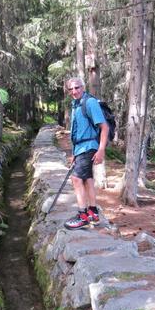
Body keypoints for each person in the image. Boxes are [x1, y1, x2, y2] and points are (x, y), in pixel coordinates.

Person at [64, 77, 109, 230]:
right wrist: (74, 154)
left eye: (77, 87)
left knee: (76, 179)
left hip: (89, 147)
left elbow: (104, 127)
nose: (74, 91)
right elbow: (78, 131)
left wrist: (101, 149)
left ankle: (82, 216)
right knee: (87, 179)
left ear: (83, 87)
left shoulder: (89, 102)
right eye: (70, 89)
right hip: (80, 149)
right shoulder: (75, 104)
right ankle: (93, 213)